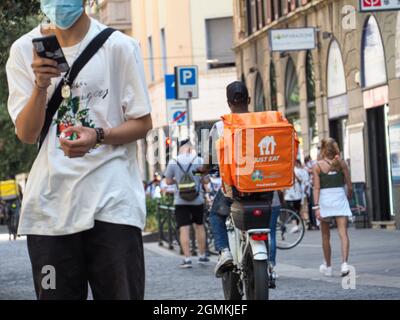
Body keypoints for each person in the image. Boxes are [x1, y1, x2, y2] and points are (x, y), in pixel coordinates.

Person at [6, 0, 152, 300]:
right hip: (50, 210)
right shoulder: (23, 50)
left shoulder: (119, 47)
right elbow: (27, 133)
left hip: (113, 203)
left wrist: (98, 135)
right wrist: (40, 85)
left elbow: (142, 122)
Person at [207, 81, 251, 277]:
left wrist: (205, 169)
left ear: (228, 103)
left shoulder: (220, 126)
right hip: (263, 187)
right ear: (249, 100)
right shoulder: (264, 120)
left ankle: (224, 251)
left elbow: (209, 159)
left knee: (215, 215)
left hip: (233, 188)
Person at [165, 139, 210, 268]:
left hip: (180, 200)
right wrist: (196, 179)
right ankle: (202, 256)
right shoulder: (199, 161)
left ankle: (187, 259)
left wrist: (178, 182)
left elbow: (168, 181)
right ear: (191, 148)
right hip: (197, 200)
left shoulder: (173, 162)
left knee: (184, 228)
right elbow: (205, 180)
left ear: (180, 148)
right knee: (199, 226)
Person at [313, 138, 353, 277]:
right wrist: (348, 197)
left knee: (325, 235)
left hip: (325, 200)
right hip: (339, 197)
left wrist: (316, 206)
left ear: (323, 150)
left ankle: (328, 267)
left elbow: (316, 188)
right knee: (343, 233)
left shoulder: (317, 166)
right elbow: (349, 184)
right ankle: (344, 264)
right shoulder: (341, 163)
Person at [284, 160, 308, 233]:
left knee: (292, 211)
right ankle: (298, 225)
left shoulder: (288, 171)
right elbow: (305, 182)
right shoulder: (301, 171)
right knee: (297, 210)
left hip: (290, 194)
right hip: (299, 194)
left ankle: (295, 225)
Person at [305, 155, 318, 230]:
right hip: (311, 188)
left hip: (311, 188)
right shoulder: (311, 165)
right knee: (312, 206)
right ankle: (314, 223)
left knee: (312, 206)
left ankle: (314, 223)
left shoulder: (311, 165)